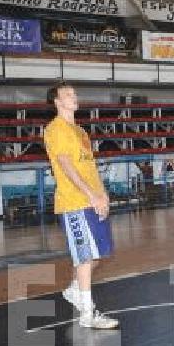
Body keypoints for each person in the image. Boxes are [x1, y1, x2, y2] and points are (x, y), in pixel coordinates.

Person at [44, 81, 118, 329]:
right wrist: (90, 195)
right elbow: (67, 166)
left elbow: (89, 167)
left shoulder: (81, 132)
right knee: (85, 258)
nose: (74, 97)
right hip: (74, 202)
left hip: (93, 199)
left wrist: (102, 194)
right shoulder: (55, 129)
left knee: (100, 254)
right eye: (68, 94)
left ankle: (75, 289)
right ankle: (88, 315)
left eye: (74, 94)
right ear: (57, 101)